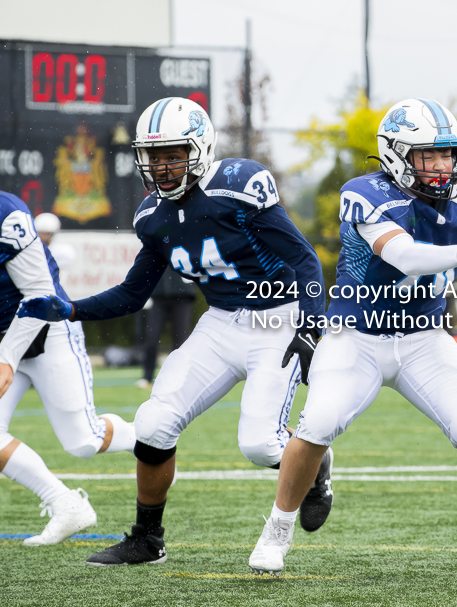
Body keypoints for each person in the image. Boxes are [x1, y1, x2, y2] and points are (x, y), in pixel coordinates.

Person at [18, 97, 331, 566]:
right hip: (221, 323)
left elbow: (304, 258)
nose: (161, 167)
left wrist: (309, 327)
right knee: (152, 425)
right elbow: (130, 294)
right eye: (153, 156)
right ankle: (148, 539)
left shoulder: (237, 186)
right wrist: (68, 309)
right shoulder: (154, 216)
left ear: (199, 150)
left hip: (276, 318)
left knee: (260, 444)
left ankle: (318, 463)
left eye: (172, 155)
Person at [248, 98, 457, 578]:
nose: (441, 166)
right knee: (319, 422)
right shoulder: (366, 193)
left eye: (448, 154)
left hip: (422, 338)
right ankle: (275, 535)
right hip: (355, 337)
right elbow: (406, 256)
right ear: (394, 155)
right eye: (428, 156)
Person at [0, 190, 136, 546]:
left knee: (83, 442)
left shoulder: (6, 214)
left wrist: (6, 357)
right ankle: (65, 502)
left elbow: (39, 295)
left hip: (48, 330)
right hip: (4, 341)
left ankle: (150, 438)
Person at [135, 269, 197, 390]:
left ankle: (179, 377)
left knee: (181, 341)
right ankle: (147, 377)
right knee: (151, 338)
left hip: (183, 295)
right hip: (158, 297)